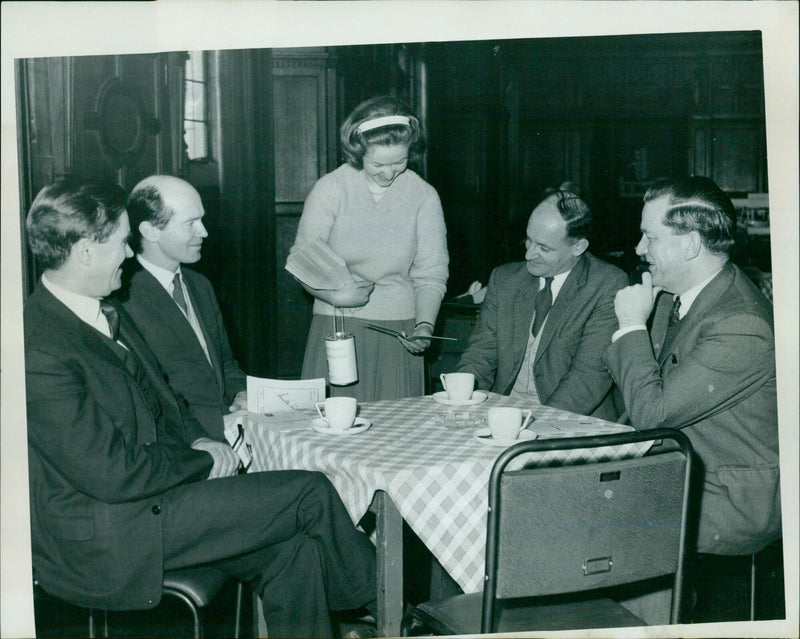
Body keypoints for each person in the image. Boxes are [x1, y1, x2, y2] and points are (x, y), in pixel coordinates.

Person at [24, 179, 377, 638]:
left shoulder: (106, 309)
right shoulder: (39, 346)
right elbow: (110, 472)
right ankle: (390, 610)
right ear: (87, 251)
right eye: (121, 243)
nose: (129, 256)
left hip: (153, 501)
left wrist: (198, 437)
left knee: (296, 551)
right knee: (308, 491)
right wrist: (203, 458)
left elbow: (163, 398)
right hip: (111, 532)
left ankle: (373, 609)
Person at [603, 176, 781, 621]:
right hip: (680, 470)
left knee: (593, 518)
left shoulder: (741, 322)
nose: (640, 249)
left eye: (651, 236)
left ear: (690, 245)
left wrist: (629, 324)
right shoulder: (681, 297)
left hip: (728, 498)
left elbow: (653, 413)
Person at [289, 96, 449, 402]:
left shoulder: (424, 196)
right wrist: (337, 297)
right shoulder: (331, 188)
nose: (389, 174)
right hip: (336, 327)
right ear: (358, 151)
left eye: (399, 162)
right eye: (378, 164)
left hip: (400, 335)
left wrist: (424, 325)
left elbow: (431, 273)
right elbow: (302, 261)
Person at [457, 189, 629, 420]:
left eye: (543, 248)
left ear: (578, 247)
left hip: (571, 419)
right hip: (504, 415)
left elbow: (588, 377)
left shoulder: (607, 284)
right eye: (528, 240)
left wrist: (532, 424)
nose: (528, 254)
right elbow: (480, 356)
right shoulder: (504, 279)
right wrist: (463, 403)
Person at [116, 175, 245, 441]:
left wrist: (242, 393)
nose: (204, 232)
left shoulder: (200, 285)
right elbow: (146, 395)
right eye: (190, 223)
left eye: (201, 219)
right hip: (183, 439)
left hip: (232, 424)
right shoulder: (122, 298)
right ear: (151, 230)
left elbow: (225, 363)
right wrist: (214, 425)